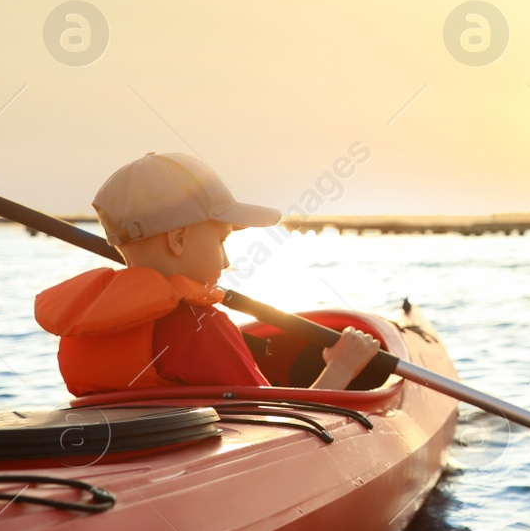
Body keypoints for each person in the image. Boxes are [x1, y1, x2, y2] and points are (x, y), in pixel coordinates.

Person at [35, 152, 380, 396]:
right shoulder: (203, 328)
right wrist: (341, 367)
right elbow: (280, 428)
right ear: (179, 239)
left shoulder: (82, 331)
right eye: (221, 241)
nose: (227, 261)